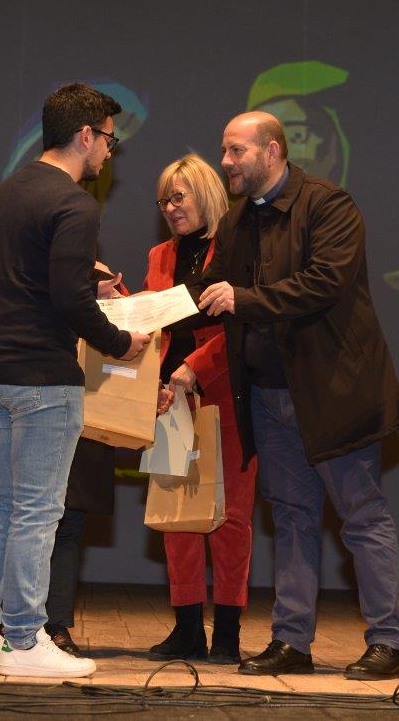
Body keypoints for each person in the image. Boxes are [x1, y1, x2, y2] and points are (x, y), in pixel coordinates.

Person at [193, 111, 399, 681]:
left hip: (333, 394)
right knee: (291, 519)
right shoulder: (238, 219)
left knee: (361, 516)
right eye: (224, 150)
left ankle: (388, 643)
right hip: (269, 396)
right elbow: (208, 290)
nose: (225, 162)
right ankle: (292, 641)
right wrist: (134, 310)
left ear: (271, 151)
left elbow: (325, 282)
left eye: (236, 151)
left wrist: (243, 300)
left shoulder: (328, 205)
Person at [0, 83, 150, 679]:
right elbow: (68, 300)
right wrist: (122, 342)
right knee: (39, 511)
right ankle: (23, 639)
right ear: (85, 135)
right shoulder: (75, 204)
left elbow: (29, 280)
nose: (110, 151)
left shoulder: (7, 193)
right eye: (109, 138)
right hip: (42, 375)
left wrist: (86, 282)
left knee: (6, 507)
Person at [0, 262, 127, 659]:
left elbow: (133, 347)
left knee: (40, 516)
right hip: (46, 394)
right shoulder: (29, 274)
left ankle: (3, 629)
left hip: (84, 411)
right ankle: (25, 636)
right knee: (32, 513)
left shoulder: (22, 271)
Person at [141, 154, 258, 664]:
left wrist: (195, 367)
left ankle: (228, 633)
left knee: (231, 518)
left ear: (206, 194)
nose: (169, 208)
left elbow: (241, 325)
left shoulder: (236, 249)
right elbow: (152, 323)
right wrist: (154, 382)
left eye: (178, 197)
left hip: (226, 394)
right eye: (162, 200)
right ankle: (187, 629)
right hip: (171, 399)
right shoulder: (159, 255)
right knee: (177, 517)